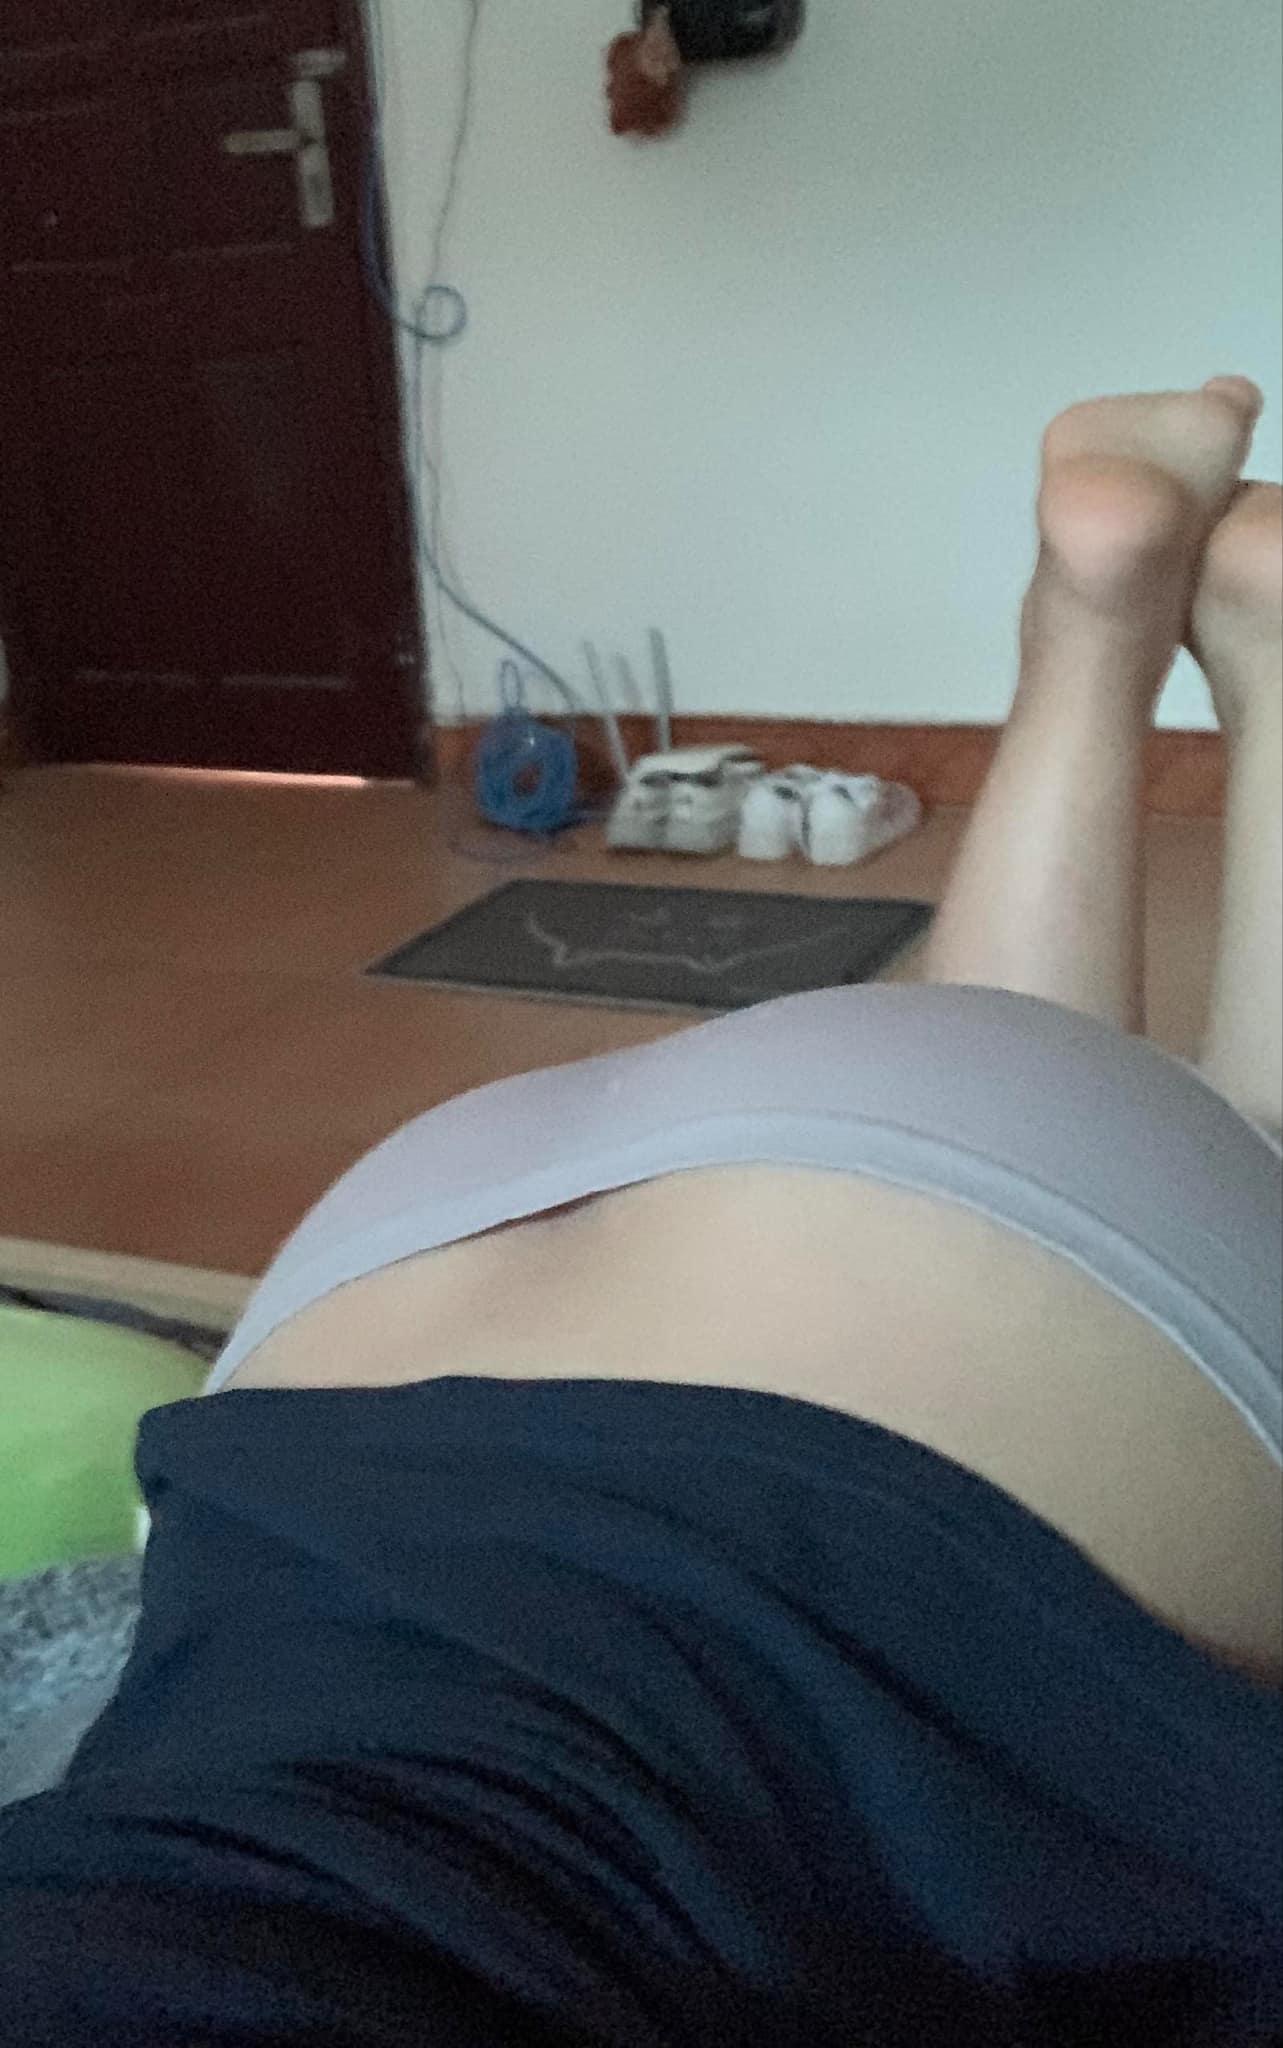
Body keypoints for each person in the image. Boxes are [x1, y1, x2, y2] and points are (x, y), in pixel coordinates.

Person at [1, 381, 1280, 2046]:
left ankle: (1206, 650)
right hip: (351, 1340)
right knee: (1034, 1138)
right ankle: (1109, 625)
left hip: (848, 1361)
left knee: (1214, 1189)